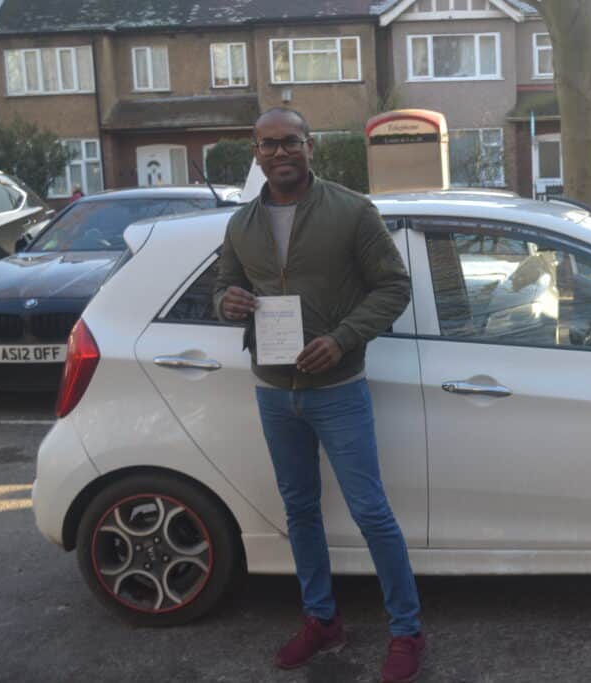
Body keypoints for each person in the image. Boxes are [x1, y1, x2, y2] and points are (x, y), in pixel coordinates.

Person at [213, 107, 424, 683]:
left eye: (289, 143)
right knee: (300, 510)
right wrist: (226, 302)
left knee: (370, 512)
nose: (278, 154)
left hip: (337, 387)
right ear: (255, 153)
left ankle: (406, 630)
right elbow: (223, 285)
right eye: (267, 145)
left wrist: (343, 338)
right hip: (274, 392)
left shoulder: (352, 211)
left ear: (310, 147)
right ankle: (320, 619)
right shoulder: (242, 224)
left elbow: (393, 286)